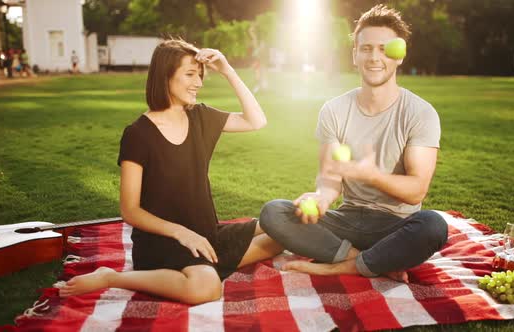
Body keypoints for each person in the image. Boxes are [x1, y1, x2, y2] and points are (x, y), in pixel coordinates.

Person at [59, 39, 283, 304]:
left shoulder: (201, 116)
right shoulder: (138, 134)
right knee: (205, 289)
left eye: (199, 75)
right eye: (190, 74)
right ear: (165, 75)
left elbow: (256, 120)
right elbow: (130, 210)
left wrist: (227, 71)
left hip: (206, 234)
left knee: (282, 234)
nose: (198, 83)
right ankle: (111, 277)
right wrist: (181, 233)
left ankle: (209, 261)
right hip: (162, 242)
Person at [259, 4, 448, 283]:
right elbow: (330, 176)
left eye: (385, 49)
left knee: (434, 226)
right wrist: (322, 197)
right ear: (355, 55)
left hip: (395, 226)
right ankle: (370, 261)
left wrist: (372, 175)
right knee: (274, 212)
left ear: (399, 56)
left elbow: (416, 191)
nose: (374, 57)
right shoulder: (334, 110)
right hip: (346, 221)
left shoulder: (420, 113)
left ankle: (338, 265)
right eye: (366, 48)